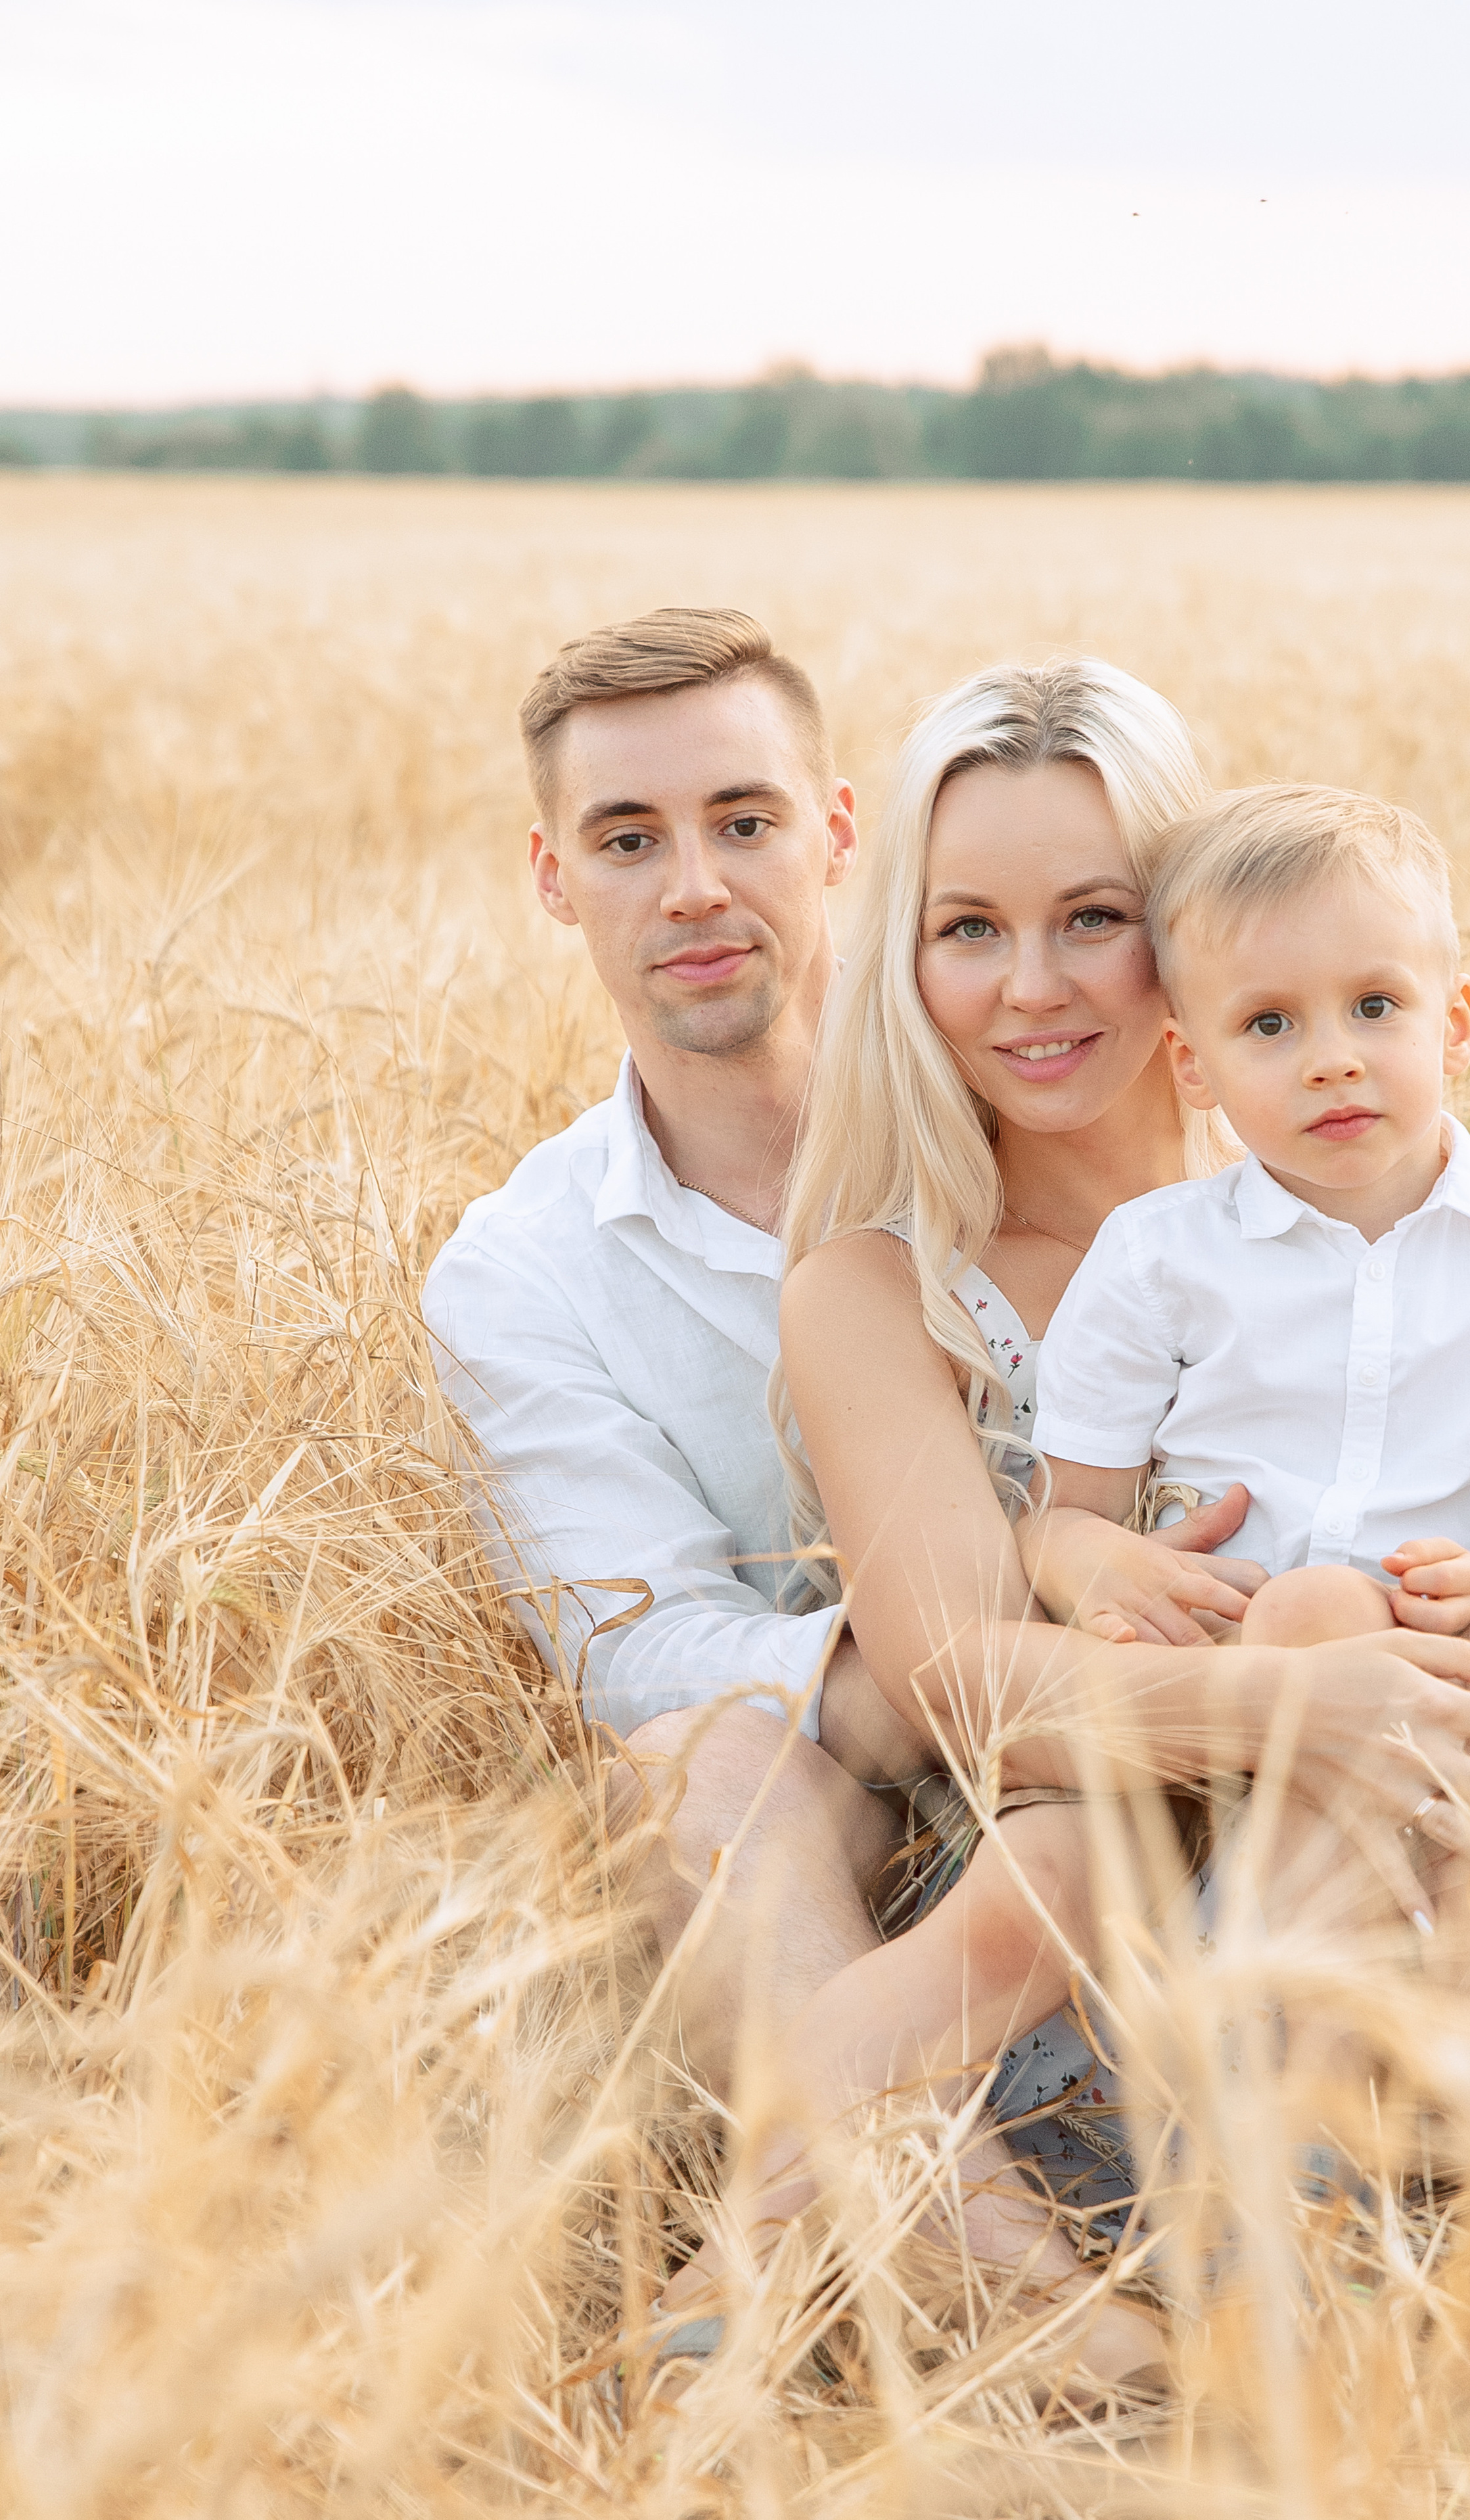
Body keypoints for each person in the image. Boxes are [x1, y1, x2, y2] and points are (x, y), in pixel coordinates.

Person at [658, 659, 1470, 2373]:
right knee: (1294, 1634)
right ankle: (1086, 2213)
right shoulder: (882, 1286)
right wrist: (1298, 1692)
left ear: (1186, 933)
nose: (1035, 986)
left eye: (1095, 917)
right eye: (968, 927)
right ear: (904, 954)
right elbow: (967, 1686)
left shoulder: (1400, 1179)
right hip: (1116, 1861)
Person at [424, 607, 930, 2102]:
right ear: (553, 880)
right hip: (843, 1788)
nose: (695, 888)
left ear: (835, 833)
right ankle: (991, 2274)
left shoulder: (1018, 1109)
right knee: (685, 1778)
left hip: (1156, 1700)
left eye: (743, 821)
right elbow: (637, 1648)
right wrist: (943, 1682)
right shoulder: (523, 1269)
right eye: (628, 840)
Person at [1030, 782, 1470, 1706]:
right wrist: (1082, 1554)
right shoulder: (1155, 1258)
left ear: (1454, 1023)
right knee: (1317, 1607)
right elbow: (1066, 1517)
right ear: (1193, 1064)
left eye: (1374, 1005)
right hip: (1253, 1671)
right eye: (1270, 1023)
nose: (1332, 1058)